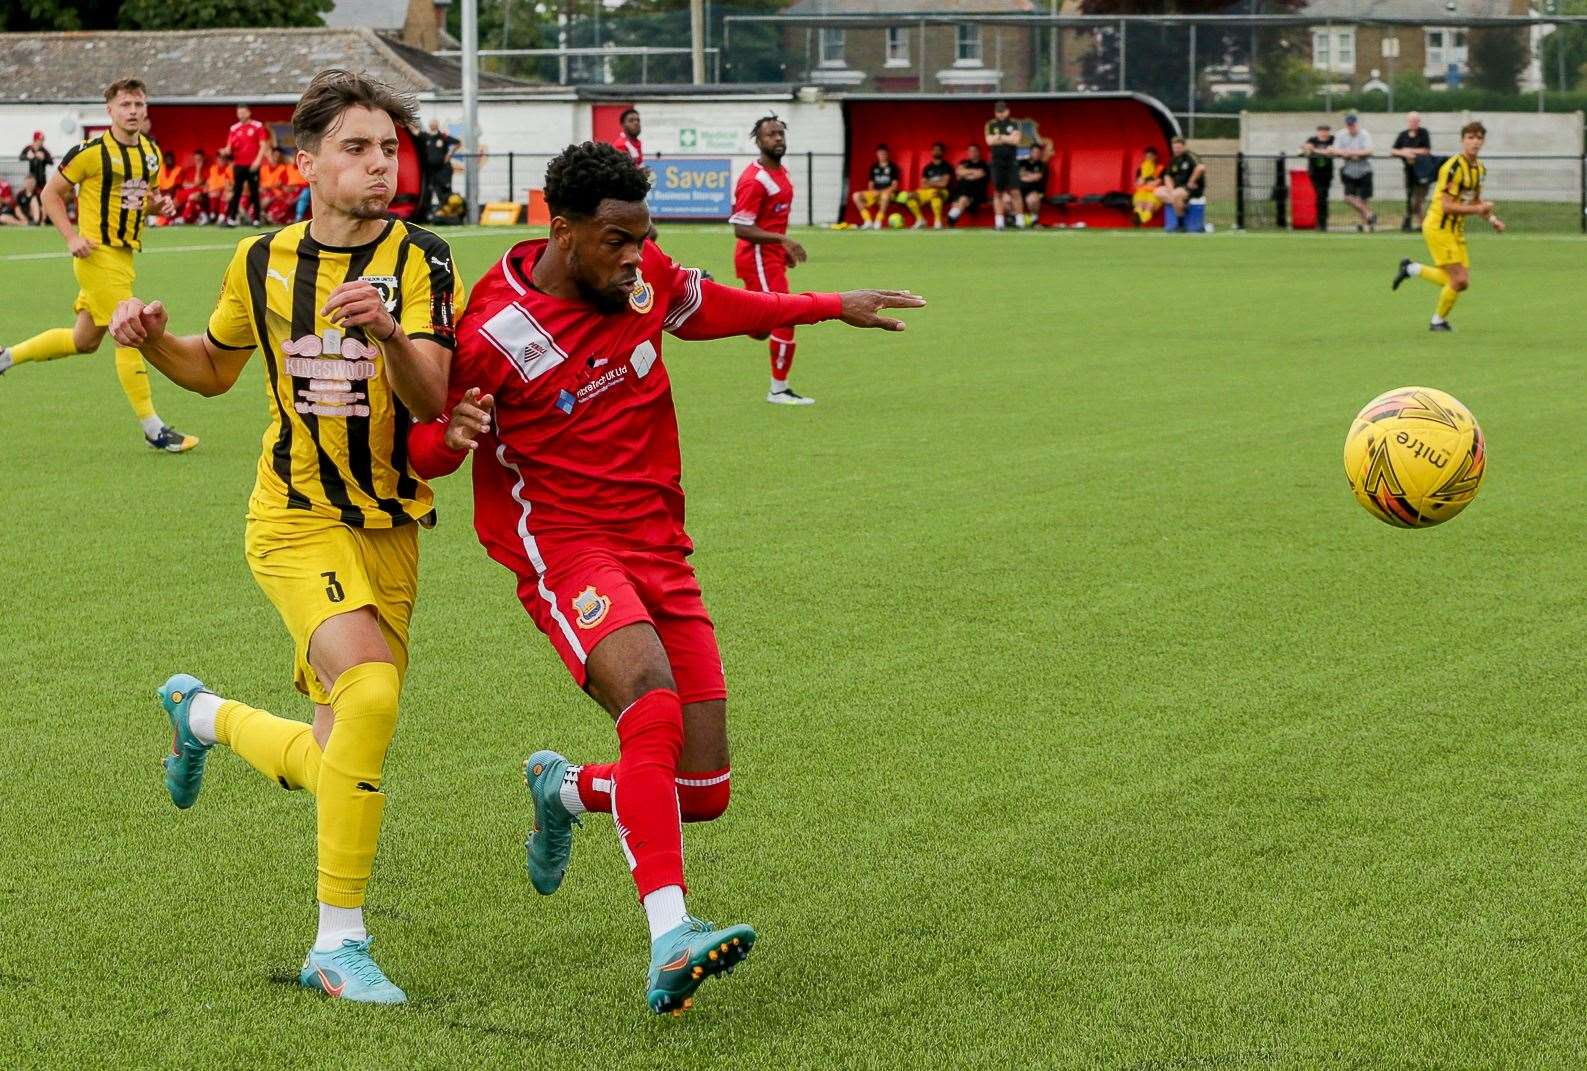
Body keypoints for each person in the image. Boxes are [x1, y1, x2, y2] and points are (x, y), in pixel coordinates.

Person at [401, 140, 923, 1016]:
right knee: (650, 703)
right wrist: (448, 435)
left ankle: (565, 787)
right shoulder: (495, 330)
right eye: (615, 240)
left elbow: (701, 303)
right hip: (564, 545)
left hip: (659, 547)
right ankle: (670, 932)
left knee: (703, 790)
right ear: (561, 230)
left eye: (642, 238)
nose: (635, 257)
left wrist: (829, 305)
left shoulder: (636, 278)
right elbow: (421, 448)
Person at [107, 67, 464, 1004]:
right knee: (373, 696)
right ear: (305, 162)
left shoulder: (422, 258)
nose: (380, 165)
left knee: (339, 748)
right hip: (293, 517)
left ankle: (202, 716)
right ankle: (337, 944)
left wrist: (389, 333)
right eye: (357, 148)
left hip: (389, 525)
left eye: (390, 148)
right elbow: (215, 371)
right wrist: (150, 340)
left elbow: (433, 397)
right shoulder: (259, 259)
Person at [0, 78, 193, 451]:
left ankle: (6, 356)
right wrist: (72, 237)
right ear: (110, 111)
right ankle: (154, 429)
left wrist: (158, 206)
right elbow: (50, 194)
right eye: (125, 105)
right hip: (96, 255)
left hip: (124, 254)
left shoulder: (150, 153)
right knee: (130, 334)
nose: (133, 111)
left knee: (83, 341)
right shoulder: (88, 152)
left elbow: (144, 199)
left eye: (138, 104)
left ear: (146, 108)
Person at [730, 115, 814, 405]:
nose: (777, 139)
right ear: (758, 140)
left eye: (780, 133)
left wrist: (782, 248)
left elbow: (773, 221)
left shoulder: (782, 172)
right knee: (785, 315)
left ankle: (731, 312)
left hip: (771, 257)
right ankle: (779, 390)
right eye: (770, 135)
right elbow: (741, 228)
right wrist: (782, 241)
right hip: (756, 257)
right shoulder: (755, 181)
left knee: (762, 328)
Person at [1392, 121, 1503, 332]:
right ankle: (1436, 321)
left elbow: (1475, 201)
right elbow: (1446, 206)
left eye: (1479, 137)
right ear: (1462, 140)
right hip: (1438, 227)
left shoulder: (1480, 169)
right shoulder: (1452, 167)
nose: (1475, 142)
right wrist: (1477, 211)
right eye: (1471, 137)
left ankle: (1411, 269)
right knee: (1459, 280)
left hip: (1455, 231)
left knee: (1461, 282)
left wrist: (1491, 219)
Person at [225, 103, 273, 226]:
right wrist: (226, 150)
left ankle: (256, 219)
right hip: (238, 164)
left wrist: (258, 161)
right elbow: (229, 146)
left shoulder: (257, 126)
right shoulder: (234, 128)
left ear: (248, 112)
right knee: (237, 191)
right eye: (238, 113)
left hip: (252, 165)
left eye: (242, 112)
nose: (240, 115)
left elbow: (263, 145)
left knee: (254, 191)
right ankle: (232, 218)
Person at [1391, 111, 1435, 232]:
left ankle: (1414, 221)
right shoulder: (1403, 135)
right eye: (1411, 121)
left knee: (1417, 201)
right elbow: (1394, 150)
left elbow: (1426, 150)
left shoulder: (1423, 133)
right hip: (1409, 173)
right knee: (1411, 199)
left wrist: (1411, 151)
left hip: (1423, 172)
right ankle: (1423, 226)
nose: (1413, 123)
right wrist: (1403, 152)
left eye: (1416, 121)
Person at [1333, 113, 1377, 232]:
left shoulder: (1364, 134)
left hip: (1364, 171)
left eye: (1352, 125)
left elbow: (1369, 150)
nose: (1351, 127)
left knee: (1363, 199)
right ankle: (1369, 214)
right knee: (1348, 198)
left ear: (1356, 124)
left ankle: (1366, 225)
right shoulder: (1341, 135)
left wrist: (1353, 153)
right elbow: (1335, 150)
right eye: (1349, 125)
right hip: (1349, 171)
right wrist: (1347, 153)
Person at [986, 100, 1020, 230]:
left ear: (1007, 111)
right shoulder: (991, 124)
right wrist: (1007, 138)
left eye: (1002, 111)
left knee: (1015, 191)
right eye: (997, 112)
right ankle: (999, 222)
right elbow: (989, 141)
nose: (1000, 114)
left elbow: (1015, 140)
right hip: (997, 163)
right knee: (998, 192)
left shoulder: (1014, 123)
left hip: (1011, 162)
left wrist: (999, 137)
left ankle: (1020, 221)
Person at [851, 143, 901, 230]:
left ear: (887, 154)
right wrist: (873, 192)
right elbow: (870, 185)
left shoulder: (893, 167)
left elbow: (894, 186)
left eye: (884, 153)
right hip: (875, 193)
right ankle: (868, 221)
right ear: (877, 154)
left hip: (889, 194)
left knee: (885, 196)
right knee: (856, 195)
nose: (882, 155)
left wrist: (880, 192)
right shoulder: (873, 167)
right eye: (880, 153)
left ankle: (878, 221)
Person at [905, 141, 952, 229]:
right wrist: (937, 183)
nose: (936, 151)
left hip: (943, 192)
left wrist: (930, 183)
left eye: (938, 150)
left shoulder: (946, 166)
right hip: (928, 191)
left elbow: (944, 184)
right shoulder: (927, 168)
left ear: (942, 152)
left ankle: (938, 221)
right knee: (910, 196)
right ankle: (920, 220)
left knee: (935, 193)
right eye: (934, 150)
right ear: (932, 152)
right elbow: (923, 185)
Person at [1156, 136, 1205, 220]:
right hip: (1177, 188)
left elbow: (1201, 167)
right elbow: (1167, 176)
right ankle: (1182, 205)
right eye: (1175, 148)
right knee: (1158, 192)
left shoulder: (1190, 156)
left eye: (1179, 147)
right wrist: (1171, 191)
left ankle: (1180, 221)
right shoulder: (1174, 159)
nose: (1176, 150)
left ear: (1184, 146)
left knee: (1176, 195)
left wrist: (1191, 182)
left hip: (1191, 188)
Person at [420, 119, 459, 217]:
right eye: (431, 124)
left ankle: (452, 214)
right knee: (434, 191)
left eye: (434, 124)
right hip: (431, 171)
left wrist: (449, 155)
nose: (432, 125)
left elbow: (457, 143)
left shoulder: (443, 136)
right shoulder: (426, 137)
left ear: (437, 125)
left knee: (446, 191)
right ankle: (435, 214)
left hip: (443, 170)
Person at [1300, 123, 1335, 232]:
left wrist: (1314, 150)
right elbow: (1304, 148)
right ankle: (1321, 222)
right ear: (1318, 131)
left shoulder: (1332, 140)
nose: (1324, 133)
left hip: (1327, 173)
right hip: (1314, 173)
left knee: (1323, 196)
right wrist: (1307, 149)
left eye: (1326, 131)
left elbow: (1331, 151)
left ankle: (1322, 222)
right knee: (1320, 196)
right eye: (1321, 130)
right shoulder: (1312, 139)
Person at [946, 143, 990, 227]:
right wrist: (973, 172)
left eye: (973, 151)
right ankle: (951, 220)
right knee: (962, 198)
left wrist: (965, 173)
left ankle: (950, 220)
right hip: (960, 192)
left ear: (978, 152)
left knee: (963, 199)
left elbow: (978, 175)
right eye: (969, 151)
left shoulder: (984, 164)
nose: (971, 153)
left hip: (977, 194)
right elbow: (958, 172)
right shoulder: (964, 162)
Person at [1017, 141, 1049, 228]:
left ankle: (1034, 220)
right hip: (1019, 190)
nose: (1036, 154)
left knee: (1032, 200)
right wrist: (1030, 176)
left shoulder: (1042, 165)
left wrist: (1025, 175)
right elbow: (1018, 176)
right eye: (1034, 152)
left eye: (1038, 152)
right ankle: (1013, 219)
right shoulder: (1021, 162)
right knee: (1007, 199)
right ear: (1030, 152)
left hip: (1035, 190)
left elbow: (1037, 177)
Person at [1132, 146, 1163, 224]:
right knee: (1139, 205)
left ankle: (1140, 221)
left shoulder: (1160, 168)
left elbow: (1157, 183)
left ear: (1155, 157)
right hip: (1141, 193)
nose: (1148, 158)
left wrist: (1145, 180)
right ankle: (1137, 218)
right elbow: (1139, 183)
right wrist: (1147, 176)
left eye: (1151, 156)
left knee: (1149, 206)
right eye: (1147, 156)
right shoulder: (1140, 168)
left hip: (1154, 193)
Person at [205, 149, 234, 224]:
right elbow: (208, 181)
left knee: (225, 194)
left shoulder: (229, 168)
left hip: (225, 191)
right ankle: (212, 216)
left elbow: (231, 184)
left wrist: (225, 189)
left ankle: (221, 217)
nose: (221, 160)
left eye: (223, 158)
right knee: (213, 193)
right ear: (217, 159)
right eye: (219, 158)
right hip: (213, 192)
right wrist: (206, 188)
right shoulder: (213, 168)